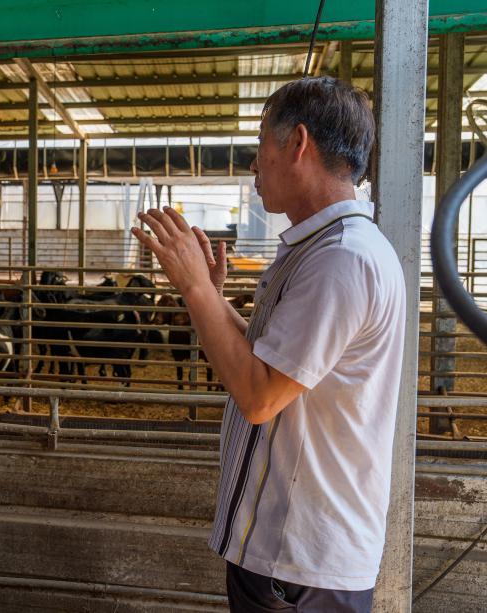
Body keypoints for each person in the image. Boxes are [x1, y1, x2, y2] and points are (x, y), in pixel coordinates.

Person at [132, 77, 406, 612]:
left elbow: (259, 396)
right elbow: (275, 360)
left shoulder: (341, 260)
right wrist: (211, 300)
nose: (254, 165)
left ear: (297, 144)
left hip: (301, 562)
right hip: (289, 553)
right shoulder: (324, 248)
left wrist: (192, 288)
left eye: (261, 144)